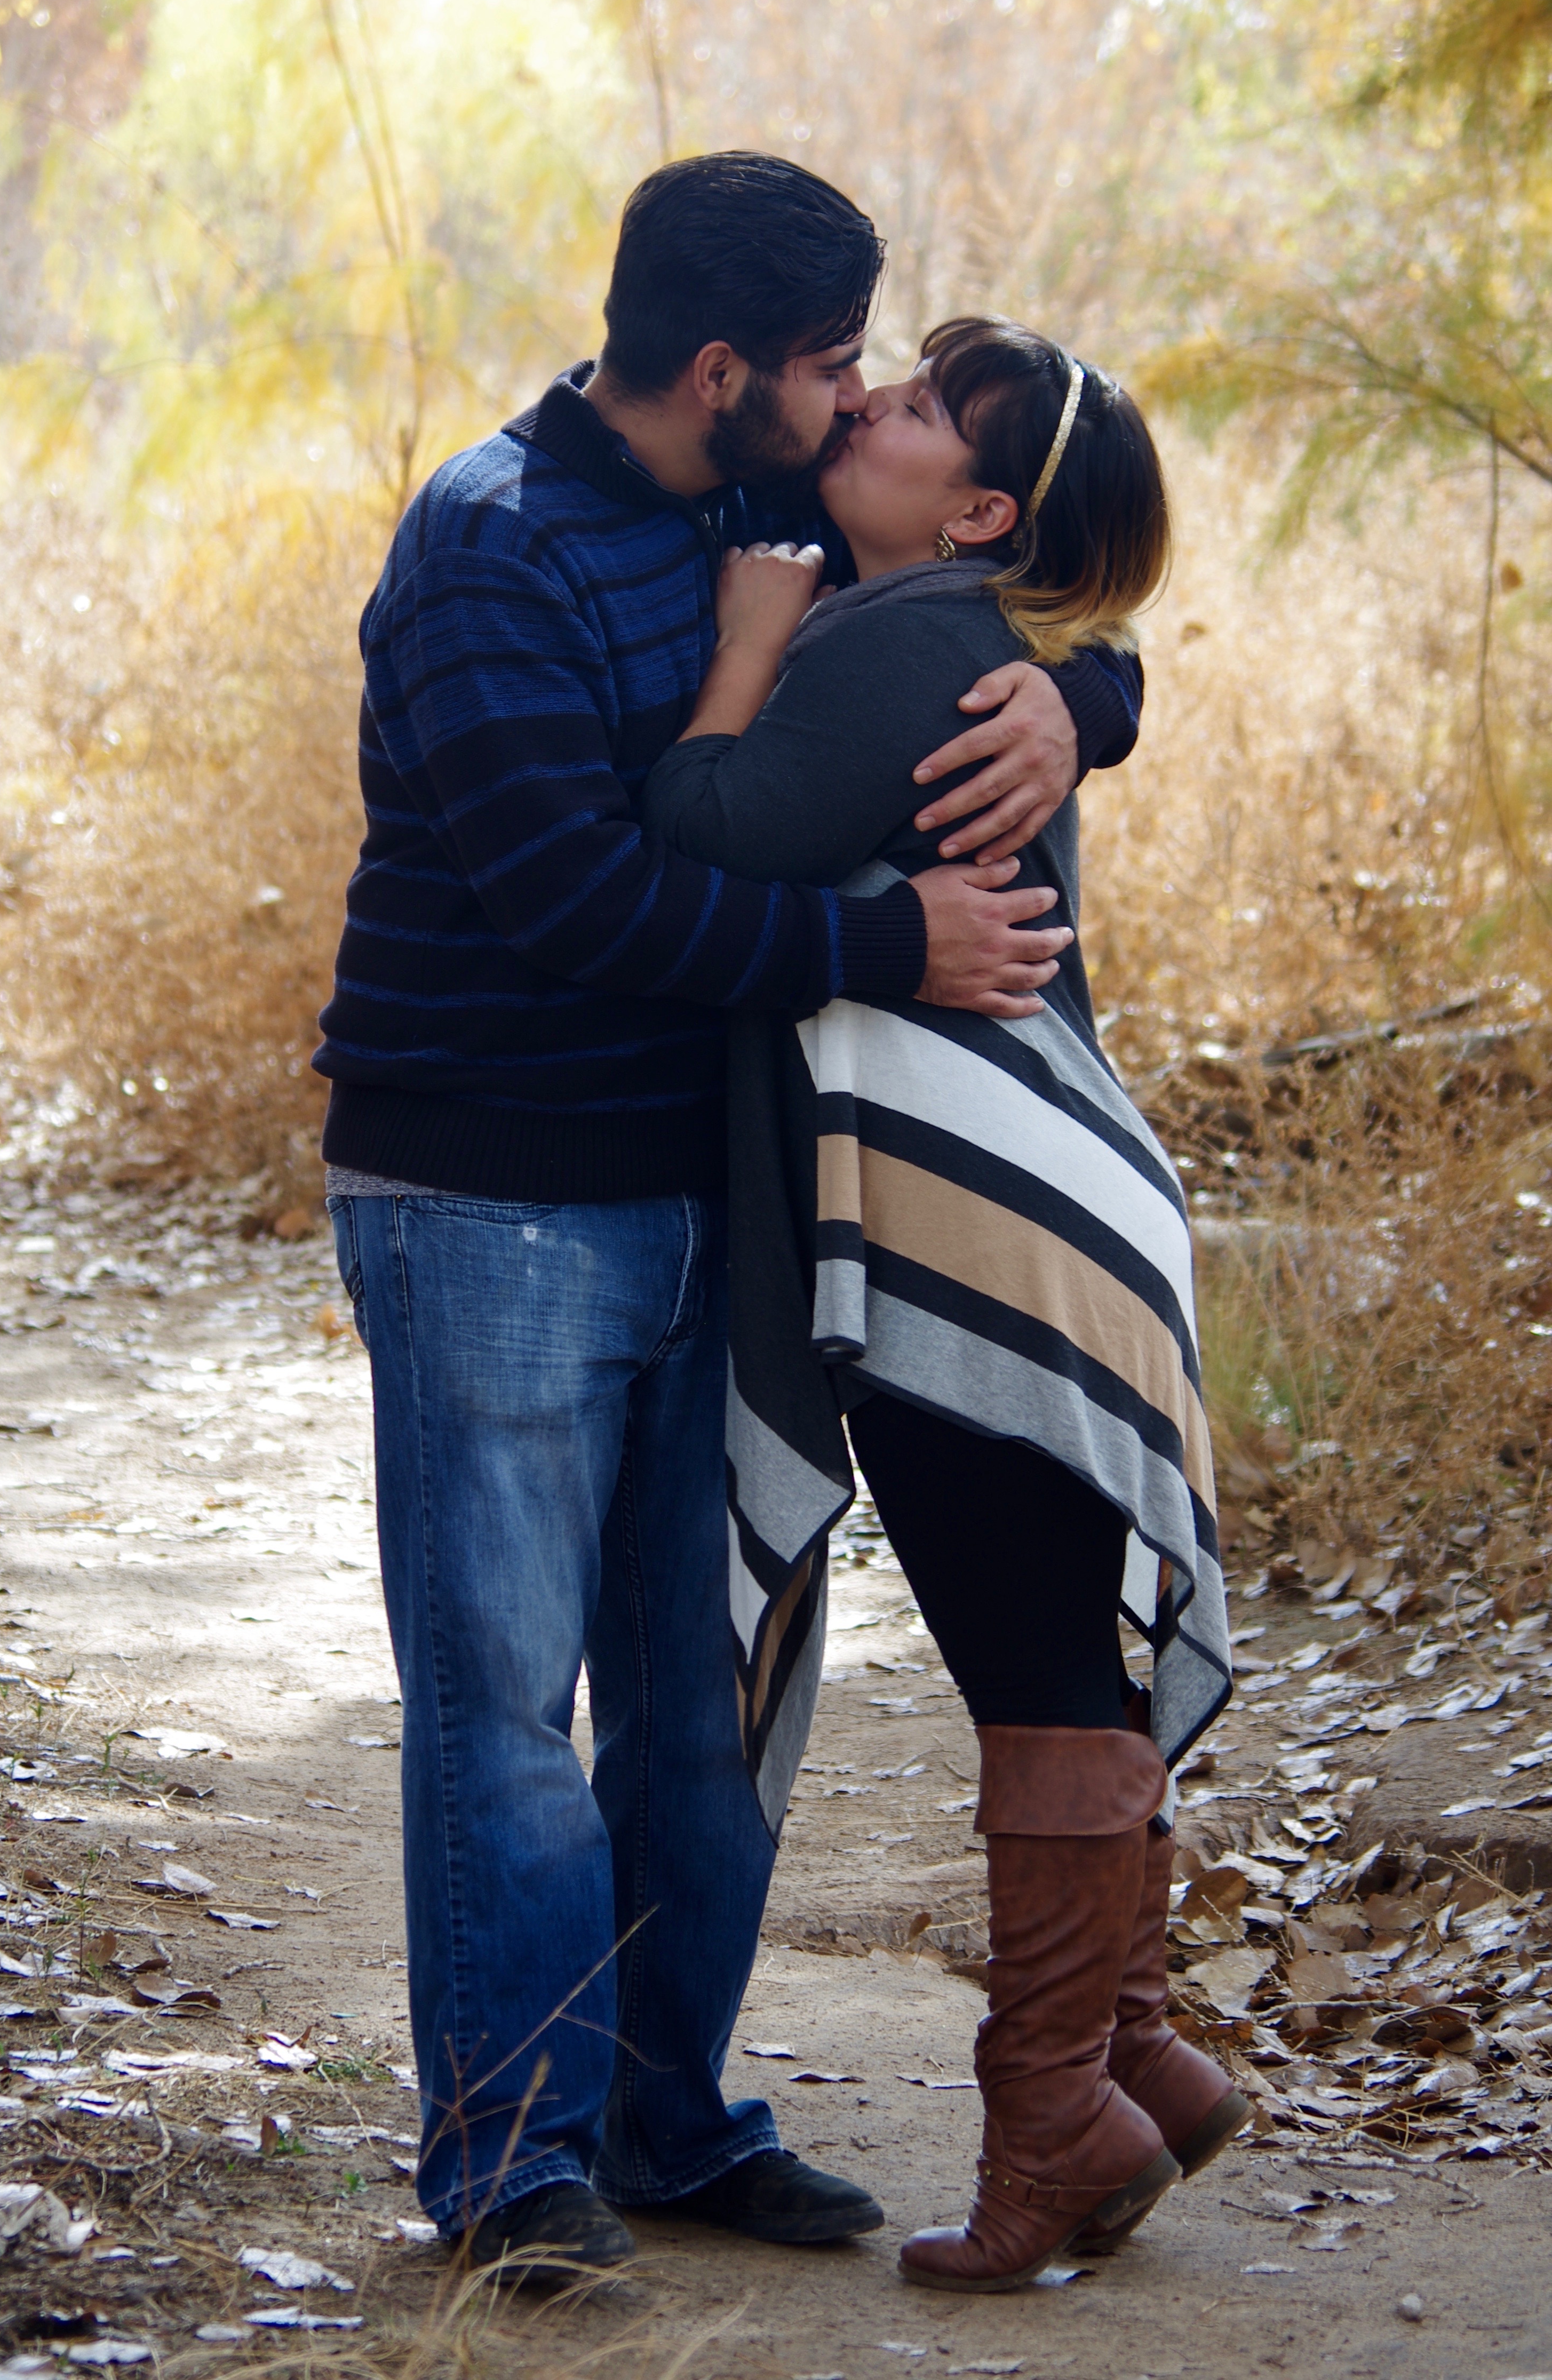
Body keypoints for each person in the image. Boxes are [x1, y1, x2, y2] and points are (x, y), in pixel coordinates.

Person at [314, 161, 1145, 2283]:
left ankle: (668, 2120)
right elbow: (581, 898)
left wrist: (1085, 698)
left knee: (711, 1702)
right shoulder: (487, 547)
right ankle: (516, 2165)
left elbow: (986, 595)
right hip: (492, 1198)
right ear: (719, 371)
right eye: (832, 361)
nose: (858, 395)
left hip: (716, 1204)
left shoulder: (759, 507)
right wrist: (886, 942)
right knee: (510, 1712)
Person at [641, 315, 1236, 2294]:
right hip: (1042, 1208)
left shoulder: (900, 641)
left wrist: (744, 649)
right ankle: (1134, 2057)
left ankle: (1052, 2121)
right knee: (1058, 1639)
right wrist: (1089, 679)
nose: (871, 402)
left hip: (975, 1231)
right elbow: (1082, 642)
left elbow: (710, 829)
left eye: (911, 410)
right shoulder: (959, 622)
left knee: (1033, 1664)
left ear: (979, 511)